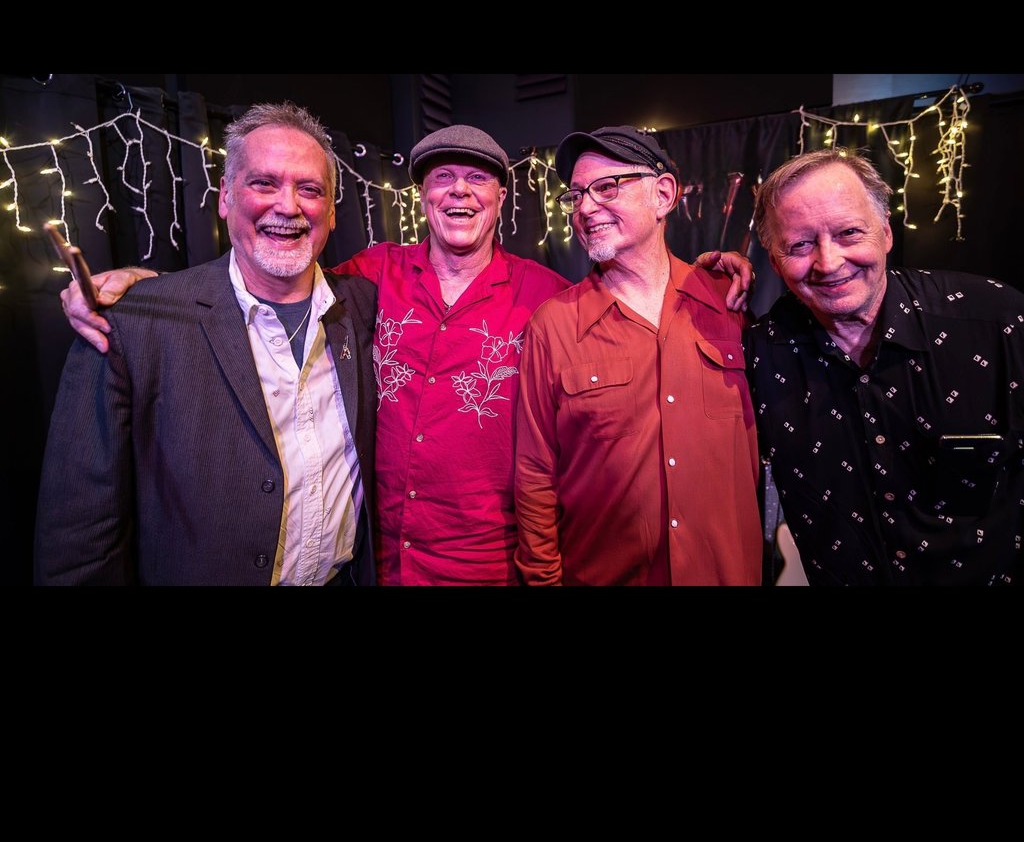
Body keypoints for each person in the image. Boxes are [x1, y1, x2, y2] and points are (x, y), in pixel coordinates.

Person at [60, 124, 755, 586]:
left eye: (477, 178)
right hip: (381, 565)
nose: (460, 190)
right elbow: (273, 276)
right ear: (422, 196)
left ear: (501, 197)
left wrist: (709, 276)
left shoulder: (549, 298)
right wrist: (147, 289)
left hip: (489, 570)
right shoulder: (368, 279)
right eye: (442, 177)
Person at [35, 101, 378, 585]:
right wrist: (140, 286)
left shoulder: (366, 307)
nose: (288, 206)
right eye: (264, 183)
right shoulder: (134, 321)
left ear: (332, 212)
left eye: (310, 189)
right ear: (225, 198)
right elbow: (81, 531)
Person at [746, 148, 1024, 586]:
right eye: (799, 244)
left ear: (886, 233)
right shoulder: (759, 354)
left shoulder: (998, 322)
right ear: (774, 260)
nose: (828, 262)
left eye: (849, 233)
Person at [514, 126, 764, 585]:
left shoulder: (726, 301)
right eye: (576, 196)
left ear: (663, 194)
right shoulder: (553, 326)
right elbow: (535, 476)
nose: (586, 208)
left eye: (607, 187)